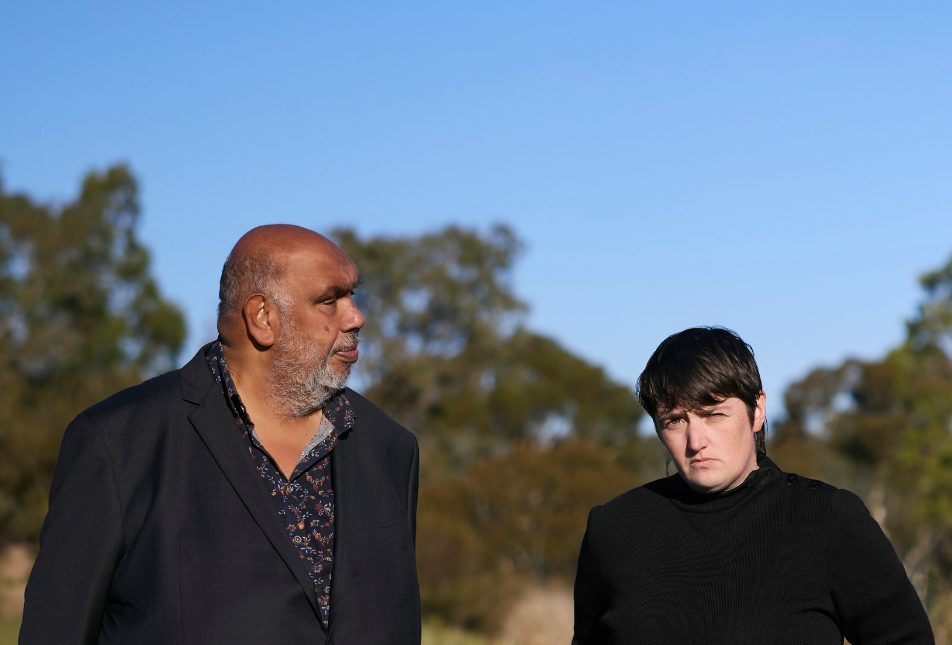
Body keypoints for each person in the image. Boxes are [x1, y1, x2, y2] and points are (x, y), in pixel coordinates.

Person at [20, 225, 421, 645]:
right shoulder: (118, 443)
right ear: (262, 317)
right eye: (329, 300)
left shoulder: (391, 449)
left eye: (353, 295)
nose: (356, 316)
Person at [572, 327, 934, 645]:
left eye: (714, 414)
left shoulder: (828, 519)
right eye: (675, 420)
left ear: (757, 409)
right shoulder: (614, 528)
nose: (695, 440)